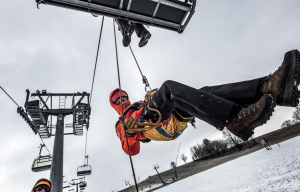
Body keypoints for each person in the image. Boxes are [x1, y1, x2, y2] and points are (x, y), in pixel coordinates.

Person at [110, 50, 300, 155]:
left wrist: (152, 98)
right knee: (168, 88)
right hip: (153, 126)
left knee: (204, 94)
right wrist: (129, 134)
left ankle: (269, 88)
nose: (123, 99)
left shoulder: (138, 103)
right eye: (118, 99)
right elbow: (131, 151)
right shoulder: (122, 122)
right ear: (114, 104)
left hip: (170, 116)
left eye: (123, 95)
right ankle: (235, 117)